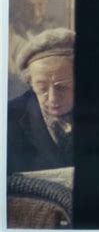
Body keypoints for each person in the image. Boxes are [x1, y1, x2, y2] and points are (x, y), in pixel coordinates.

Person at [7, 27, 75, 174]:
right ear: (30, 82)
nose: (52, 98)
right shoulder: (8, 119)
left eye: (62, 87)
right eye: (42, 87)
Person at [8, 0, 57, 99]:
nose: (36, 13)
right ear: (17, 5)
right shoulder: (8, 34)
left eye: (41, 4)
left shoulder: (55, 30)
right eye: (28, 6)